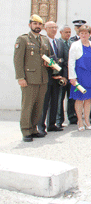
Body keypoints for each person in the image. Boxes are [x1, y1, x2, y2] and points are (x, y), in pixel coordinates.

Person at [14, 14, 52, 142]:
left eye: (40, 24)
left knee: (38, 105)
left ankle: (34, 129)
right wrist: (20, 77)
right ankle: (26, 131)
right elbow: (18, 60)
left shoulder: (44, 39)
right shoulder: (23, 39)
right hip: (29, 79)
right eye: (35, 24)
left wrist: (50, 63)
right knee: (27, 105)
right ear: (30, 24)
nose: (37, 26)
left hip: (43, 78)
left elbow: (49, 57)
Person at [68, 25, 91, 131]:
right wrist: (72, 77)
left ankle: (87, 121)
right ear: (79, 34)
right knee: (79, 99)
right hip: (79, 76)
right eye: (81, 33)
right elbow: (71, 62)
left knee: (88, 100)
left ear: (89, 34)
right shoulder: (74, 45)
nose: (84, 35)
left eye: (86, 33)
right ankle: (80, 121)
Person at [38, 21, 67, 134]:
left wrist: (64, 76)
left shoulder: (59, 42)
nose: (54, 29)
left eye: (55, 27)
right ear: (45, 28)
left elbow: (64, 61)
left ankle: (52, 124)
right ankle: (41, 126)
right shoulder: (42, 41)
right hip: (46, 77)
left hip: (58, 78)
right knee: (44, 103)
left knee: (55, 101)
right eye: (51, 27)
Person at [56, 25, 72, 128]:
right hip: (62, 75)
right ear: (61, 32)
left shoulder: (72, 43)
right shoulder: (58, 43)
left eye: (69, 32)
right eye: (66, 32)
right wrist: (62, 75)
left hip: (71, 75)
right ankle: (59, 120)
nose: (68, 34)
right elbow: (59, 60)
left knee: (71, 98)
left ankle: (72, 117)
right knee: (60, 98)